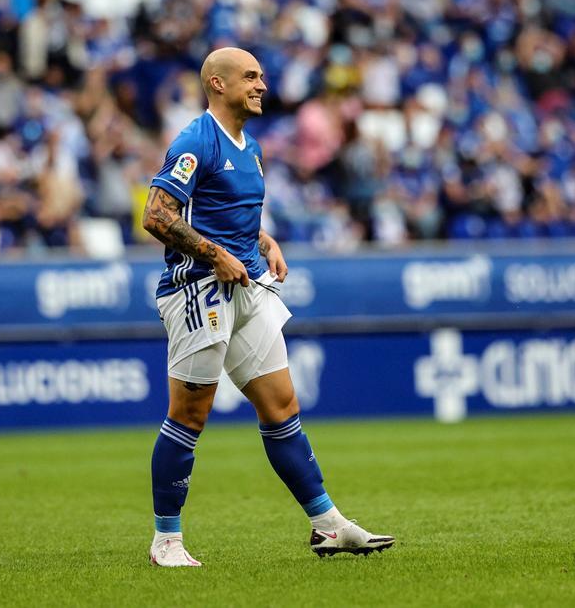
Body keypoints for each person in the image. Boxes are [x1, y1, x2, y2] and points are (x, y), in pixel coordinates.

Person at [140, 47, 394, 567]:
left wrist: (261, 239)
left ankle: (328, 526)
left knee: (282, 408)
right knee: (189, 415)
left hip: (247, 286)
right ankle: (166, 540)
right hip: (198, 291)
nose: (262, 85)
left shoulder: (250, 146)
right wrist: (215, 255)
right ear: (217, 83)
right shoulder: (196, 140)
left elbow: (221, 214)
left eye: (262, 76)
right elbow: (156, 214)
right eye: (251, 77)